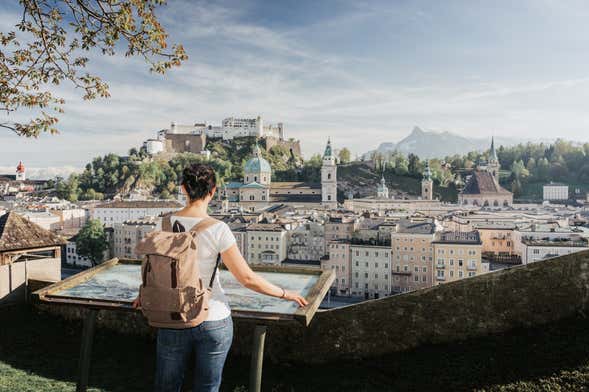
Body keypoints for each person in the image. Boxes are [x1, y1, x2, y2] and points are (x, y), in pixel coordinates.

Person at [132, 163, 307, 392]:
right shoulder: (219, 229)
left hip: (172, 314)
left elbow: (155, 267)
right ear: (213, 191)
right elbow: (247, 278)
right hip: (213, 317)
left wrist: (142, 294)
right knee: (207, 387)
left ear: (183, 189)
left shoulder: (163, 223)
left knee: (166, 386)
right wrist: (286, 294)